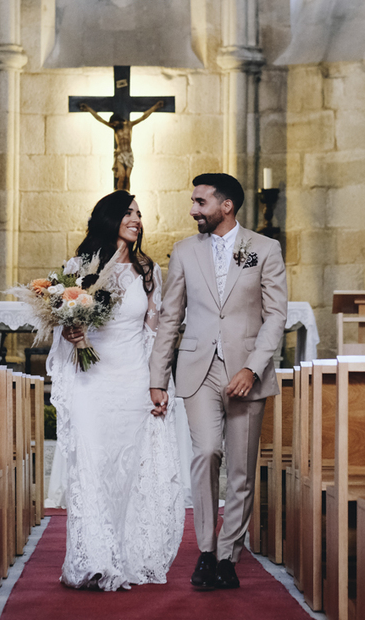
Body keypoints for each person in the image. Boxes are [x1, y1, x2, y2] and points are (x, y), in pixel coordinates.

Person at [149, 173, 288, 590]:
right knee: (206, 453)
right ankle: (206, 552)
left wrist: (253, 367)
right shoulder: (184, 251)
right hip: (198, 368)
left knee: (242, 471)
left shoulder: (265, 249)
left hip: (247, 371)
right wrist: (158, 376)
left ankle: (229, 553)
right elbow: (171, 317)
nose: (193, 210)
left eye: (200, 202)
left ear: (226, 205)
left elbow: (276, 316)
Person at [48, 190, 183, 591]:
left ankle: (128, 554)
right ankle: (94, 557)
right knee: (93, 465)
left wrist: (159, 384)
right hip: (92, 381)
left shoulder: (148, 270)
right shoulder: (80, 268)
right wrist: (70, 332)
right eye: (129, 212)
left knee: (130, 469)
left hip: (132, 379)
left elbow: (155, 335)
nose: (137, 220)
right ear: (109, 218)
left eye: (140, 214)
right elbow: (62, 320)